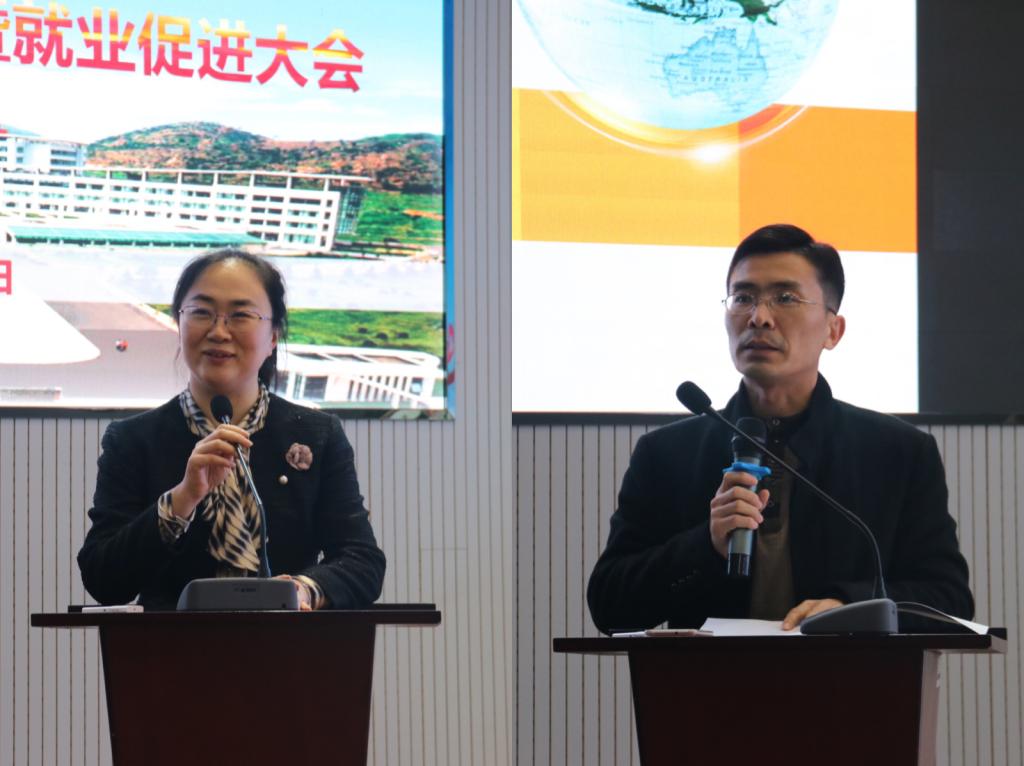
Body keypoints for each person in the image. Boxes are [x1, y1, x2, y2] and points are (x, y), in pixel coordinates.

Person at [587, 224, 973, 633]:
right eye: (743, 298)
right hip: (708, 674)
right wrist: (706, 545)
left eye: (785, 298)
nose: (759, 318)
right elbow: (609, 606)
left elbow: (949, 598)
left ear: (833, 330)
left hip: (848, 672)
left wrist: (851, 606)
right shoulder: (667, 454)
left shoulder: (899, 453)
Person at [78, 250, 386, 610]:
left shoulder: (319, 435)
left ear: (273, 336)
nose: (219, 332)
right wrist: (181, 499)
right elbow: (103, 579)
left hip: (291, 642)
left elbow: (362, 561)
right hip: (169, 644)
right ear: (179, 323)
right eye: (201, 312)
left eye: (240, 315)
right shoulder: (133, 440)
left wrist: (302, 591)